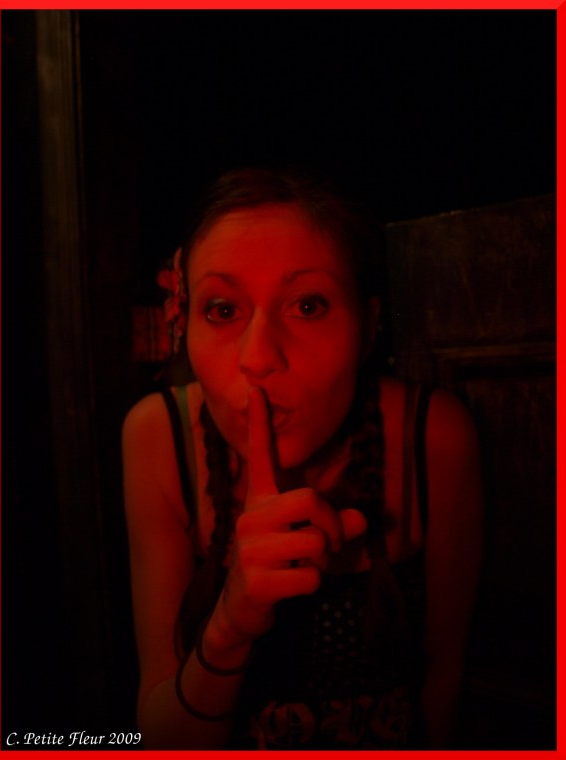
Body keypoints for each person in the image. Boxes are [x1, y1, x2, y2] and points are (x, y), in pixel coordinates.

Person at [122, 167, 483, 750]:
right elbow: (161, 739)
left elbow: (445, 679)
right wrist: (229, 627)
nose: (258, 357)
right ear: (184, 324)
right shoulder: (158, 437)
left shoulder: (433, 437)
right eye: (223, 310)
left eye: (308, 306)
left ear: (368, 327)